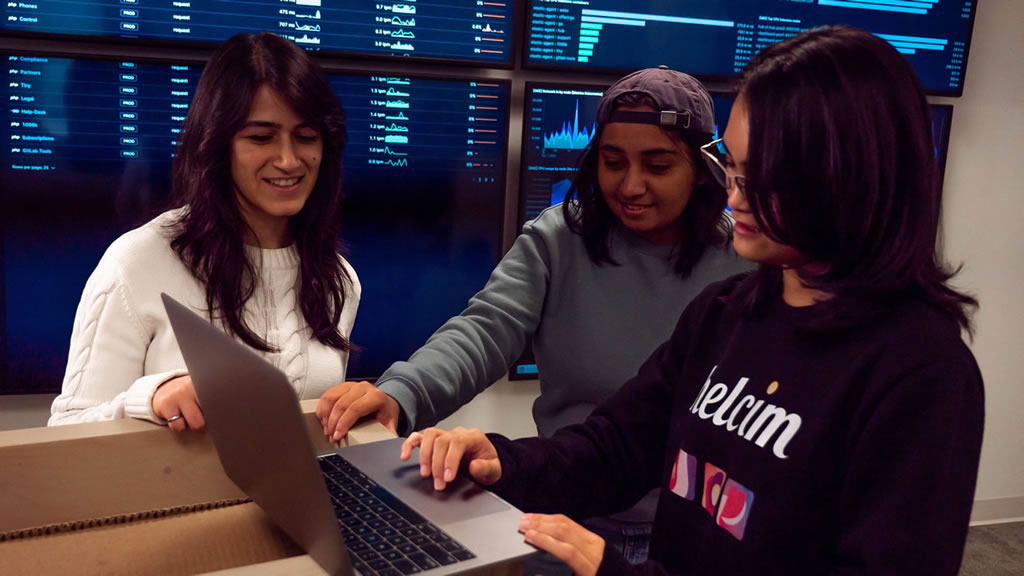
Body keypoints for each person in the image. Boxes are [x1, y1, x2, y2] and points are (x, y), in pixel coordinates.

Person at [400, 25, 985, 576]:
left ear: (849, 176)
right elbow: (618, 446)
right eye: (731, 166)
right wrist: (505, 461)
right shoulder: (725, 311)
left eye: (764, 175)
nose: (735, 193)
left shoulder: (921, 374)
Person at [317, 66, 750, 564]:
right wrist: (401, 393)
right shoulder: (559, 239)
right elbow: (484, 331)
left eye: (657, 166)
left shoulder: (743, 264)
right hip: (566, 518)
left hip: (690, 536)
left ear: (701, 168)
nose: (631, 186)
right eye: (613, 162)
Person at [49, 32, 359, 430]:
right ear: (217, 143)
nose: (288, 159)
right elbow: (66, 429)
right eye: (260, 137)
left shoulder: (339, 280)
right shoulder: (138, 262)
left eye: (306, 137)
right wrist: (152, 397)